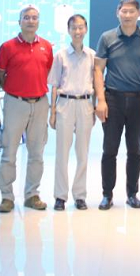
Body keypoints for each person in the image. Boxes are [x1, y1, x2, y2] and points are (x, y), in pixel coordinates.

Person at [94, 0, 140, 210]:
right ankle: (107, 194)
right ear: (118, 13)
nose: (128, 15)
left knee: (135, 150)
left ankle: (132, 193)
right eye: (124, 11)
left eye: (132, 11)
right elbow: (98, 70)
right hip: (113, 100)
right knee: (109, 149)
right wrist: (101, 100)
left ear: (139, 14)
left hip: (139, 100)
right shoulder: (107, 38)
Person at [0, 5, 54, 213]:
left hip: (40, 103)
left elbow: (47, 72)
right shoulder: (7, 47)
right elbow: (1, 76)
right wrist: (16, 92)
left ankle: (32, 194)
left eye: (34, 18)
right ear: (19, 21)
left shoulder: (46, 46)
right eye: (26, 17)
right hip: (15, 103)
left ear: (38, 22)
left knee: (36, 153)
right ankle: (6, 197)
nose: (31, 21)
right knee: (9, 152)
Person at [49, 14, 96, 211]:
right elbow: (54, 85)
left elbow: (96, 84)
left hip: (85, 104)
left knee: (83, 153)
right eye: (74, 28)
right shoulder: (60, 55)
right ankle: (60, 196)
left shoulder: (92, 55)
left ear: (86, 29)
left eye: (81, 27)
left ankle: (80, 196)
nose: (78, 31)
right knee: (62, 153)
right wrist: (52, 112)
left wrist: (94, 108)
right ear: (68, 30)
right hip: (65, 104)